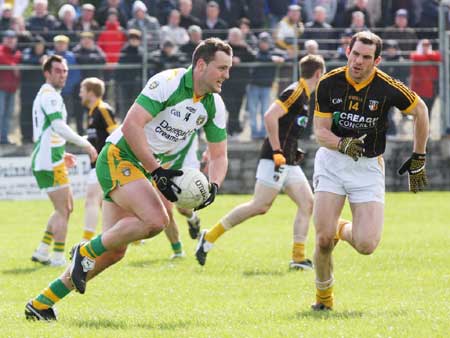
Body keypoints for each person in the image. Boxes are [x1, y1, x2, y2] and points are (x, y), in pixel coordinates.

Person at [25, 38, 232, 321]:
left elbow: (219, 155)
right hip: (118, 157)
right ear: (200, 65)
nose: (226, 75)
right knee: (157, 220)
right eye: (222, 68)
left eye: (229, 69)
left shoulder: (214, 105)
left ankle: (41, 303)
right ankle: (83, 250)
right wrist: (157, 171)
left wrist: (214, 186)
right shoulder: (168, 82)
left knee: (113, 252)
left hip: (140, 168)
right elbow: (132, 124)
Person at [311, 31, 429, 311]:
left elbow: (421, 110)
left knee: (366, 244)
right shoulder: (328, 83)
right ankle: (323, 300)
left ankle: (340, 227)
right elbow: (320, 132)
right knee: (323, 240)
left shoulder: (387, 87)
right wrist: (343, 143)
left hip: (367, 167)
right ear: (347, 52)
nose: (358, 62)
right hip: (332, 161)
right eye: (355, 54)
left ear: (377, 60)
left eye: (366, 57)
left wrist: (419, 156)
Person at [195, 54, 326, 268]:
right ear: (319, 74)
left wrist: (293, 150)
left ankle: (298, 257)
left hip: (289, 160)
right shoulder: (295, 92)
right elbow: (269, 116)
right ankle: (209, 237)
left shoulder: (304, 95)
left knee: (307, 203)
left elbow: (287, 128)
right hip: (275, 158)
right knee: (259, 205)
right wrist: (277, 150)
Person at [30, 55, 97, 267]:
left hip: (51, 157)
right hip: (48, 160)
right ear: (47, 73)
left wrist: (62, 150)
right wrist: (84, 143)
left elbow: (49, 131)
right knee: (64, 209)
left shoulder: (48, 95)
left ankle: (42, 250)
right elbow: (58, 126)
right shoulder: (50, 96)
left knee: (65, 207)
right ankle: (58, 257)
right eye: (58, 70)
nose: (62, 74)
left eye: (65, 70)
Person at [79, 77, 118, 241]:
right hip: (98, 164)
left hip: (105, 163)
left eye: (82, 90)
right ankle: (132, 235)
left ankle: (86, 241)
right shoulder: (92, 112)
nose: (80, 94)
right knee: (105, 202)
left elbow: (115, 133)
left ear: (91, 92)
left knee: (91, 199)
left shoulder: (102, 109)